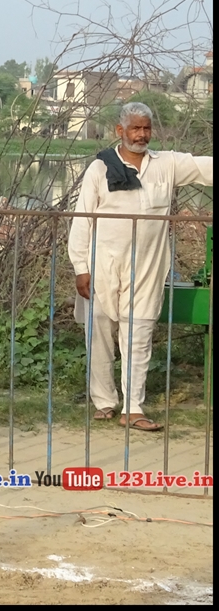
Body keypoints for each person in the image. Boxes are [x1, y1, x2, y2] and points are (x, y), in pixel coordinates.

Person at [69, 101, 212, 432]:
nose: (141, 134)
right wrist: (80, 267)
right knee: (99, 332)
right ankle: (104, 402)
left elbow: (204, 167)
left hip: (148, 266)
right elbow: (81, 220)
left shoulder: (166, 164)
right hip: (102, 264)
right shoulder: (100, 169)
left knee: (140, 333)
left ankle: (133, 408)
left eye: (146, 128)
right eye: (135, 128)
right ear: (120, 130)